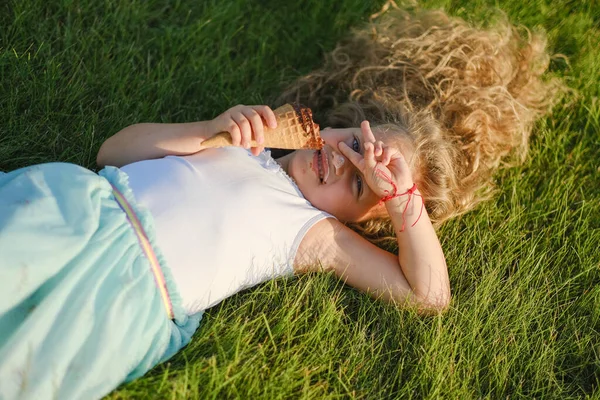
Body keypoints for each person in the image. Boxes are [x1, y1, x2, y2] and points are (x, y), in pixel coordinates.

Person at [0, 5, 562, 400]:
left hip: (132, 293)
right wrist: (212, 129)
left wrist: (404, 200)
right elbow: (113, 150)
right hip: (82, 210)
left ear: (365, 220)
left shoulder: (317, 238)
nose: (343, 164)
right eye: (353, 146)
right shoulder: (251, 143)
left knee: (26, 360)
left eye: (360, 185)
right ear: (338, 128)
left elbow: (430, 297)